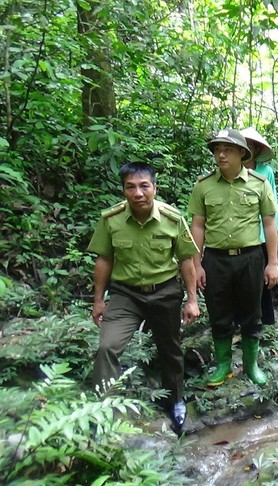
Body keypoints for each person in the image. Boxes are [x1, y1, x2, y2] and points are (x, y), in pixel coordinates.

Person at [88, 162, 200, 436]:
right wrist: (98, 299)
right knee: (108, 347)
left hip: (164, 291)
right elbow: (104, 259)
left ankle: (175, 400)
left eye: (144, 186)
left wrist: (192, 299)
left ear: (154, 188)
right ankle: (104, 408)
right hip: (125, 295)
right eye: (131, 187)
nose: (138, 193)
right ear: (124, 190)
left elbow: (186, 260)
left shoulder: (173, 219)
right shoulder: (111, 220)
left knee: (170, 349)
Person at [188, 128, 278, 387]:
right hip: (216, 260)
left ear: (242, 153)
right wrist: (197, 265)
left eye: (227, 149)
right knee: (219, 312)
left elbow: (270, 224)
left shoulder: (258, 184)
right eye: (217, 149)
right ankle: (223, 365)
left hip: (250, 257)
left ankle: (251, 366)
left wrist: (272, 263)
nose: (221, 154)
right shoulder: (203, 186)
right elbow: (198, 227)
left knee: (252, 312)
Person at [239, 127, 278, 330]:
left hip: (262, 235)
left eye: (250, 145)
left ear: (256, 149)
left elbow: (273, 209)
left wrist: (273, 235)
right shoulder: (231, 172)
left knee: (263, 281)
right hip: (241, 235)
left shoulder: (266, 172)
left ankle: (265, 323)